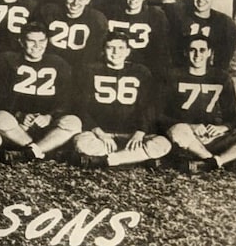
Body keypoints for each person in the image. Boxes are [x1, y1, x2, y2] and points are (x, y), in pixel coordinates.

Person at [72, 32, 171, 168]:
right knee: (80, 142)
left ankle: (108, 160)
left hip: (131, 134)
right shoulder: (90, 70)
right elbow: (82, 107)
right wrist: (100, 134)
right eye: (110, 47)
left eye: (120, 48)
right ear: (103, 50)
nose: (115, 52)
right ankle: (132, 158)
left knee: (163, 143)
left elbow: (148, 106)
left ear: (128, 51)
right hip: (101, 134)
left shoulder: (140, 71)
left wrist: (139, 133)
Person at [0, 23, 81, 162]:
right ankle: (41, 150)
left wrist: (49, 117)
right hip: (18, 126)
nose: (37, 45)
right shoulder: (8, 60)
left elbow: (66, 99)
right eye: (31, 41)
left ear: (47, 41)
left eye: (41, 41)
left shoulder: (58, 63)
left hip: (46, 125)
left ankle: (29, 152)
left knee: (74, 122)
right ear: (21, 41)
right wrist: (19, 115)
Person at [163, 36, 236, 173]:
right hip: (187, 138)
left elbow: (235, 117)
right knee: (177, 131)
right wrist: (190, 126)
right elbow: (159, 115)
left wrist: (223, 127)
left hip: (213, 136)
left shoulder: (221, 77)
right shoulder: (173, 76)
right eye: (192, 50)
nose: (197, 55)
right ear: (185, 52)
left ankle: (213, 162)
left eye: (202, 50)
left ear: (209, 53)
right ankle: (213, 160)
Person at [105, 0, 171, 75]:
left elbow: (161, 51)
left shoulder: (155, 16)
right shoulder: (110, 13)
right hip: (113, 66)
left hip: (142, 69)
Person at [167, 0, 236, 71]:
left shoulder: (225, 23)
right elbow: (172, 55)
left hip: (210, 75)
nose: (201, 0)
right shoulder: (179, 19)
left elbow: (223, 62)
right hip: (182, 73)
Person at [38, 0, 108, 72]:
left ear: (88, 0)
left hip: (80, 69)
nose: (75, 3)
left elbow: (96, 52)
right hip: (49, 66)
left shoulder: (96, 19)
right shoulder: (49, 12)